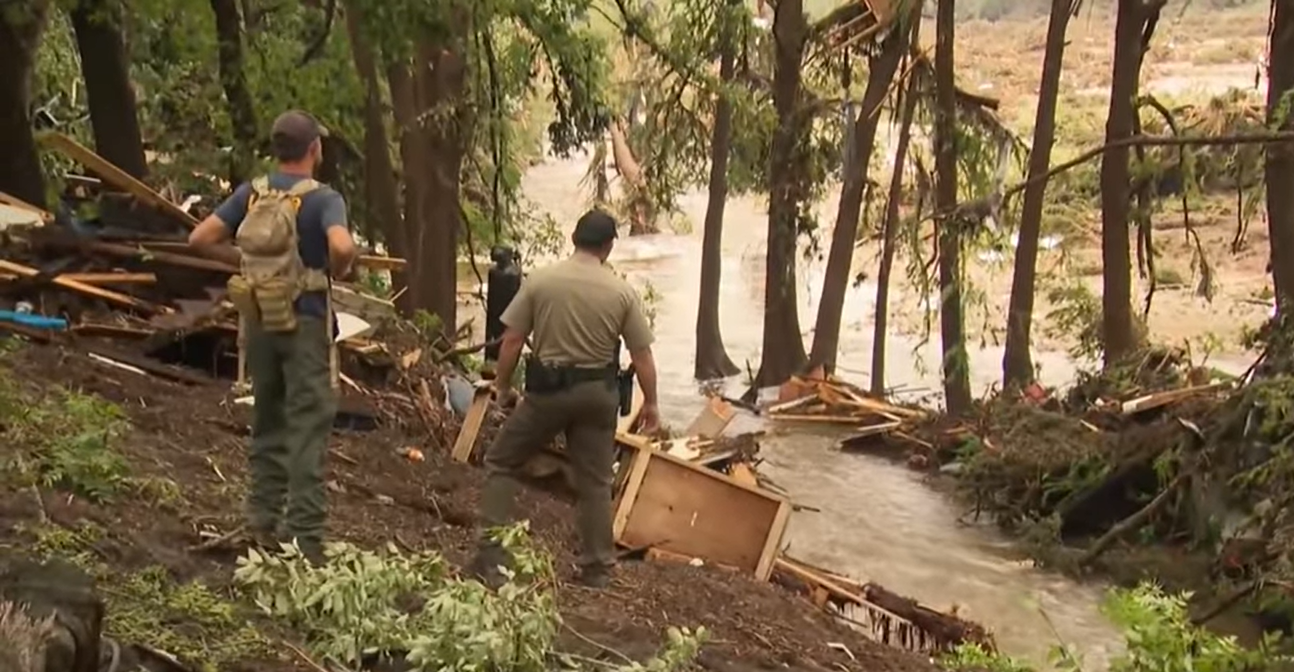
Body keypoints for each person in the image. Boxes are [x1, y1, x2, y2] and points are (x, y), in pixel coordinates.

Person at [188, 110, 357, 562]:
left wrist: (246, 264)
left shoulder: (252, 193)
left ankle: (261, 520)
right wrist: (333, 271)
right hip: (304, 324)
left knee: (267, 418)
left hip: (259, 319)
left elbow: (200, 238)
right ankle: (304, 538)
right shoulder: (323, 200)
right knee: (308, 425)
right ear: (314, 149)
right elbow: (341, 246)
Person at [470, 209, 660, 589]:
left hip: (548, 393)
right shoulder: (621, 291)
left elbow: (511, 340)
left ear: (573, 237)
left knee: (501, 460)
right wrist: (652, 404)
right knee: (594, 482)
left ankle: (490, 560)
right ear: (608, 247)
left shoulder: (541, 282)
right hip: (597, 396)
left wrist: (503, 388)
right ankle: (597, 569)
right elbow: (642, 355)